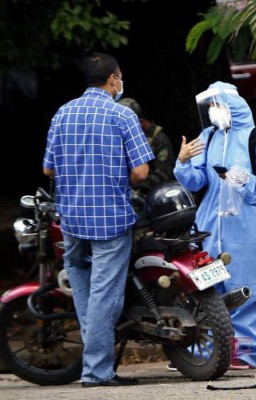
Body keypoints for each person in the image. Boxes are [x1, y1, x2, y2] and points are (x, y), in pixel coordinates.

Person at [42, 52, 154, 386]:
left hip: (72, 219)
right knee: (105, 296)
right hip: (110, 221)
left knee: (85, 292)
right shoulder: (122, 116)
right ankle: (96, 372)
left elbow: (48, 168)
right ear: (113, 78)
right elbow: (141, 172)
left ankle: (96, 363)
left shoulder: (62, 114)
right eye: (120, 77)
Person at [174, 81, 256, 369]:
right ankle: (206, 353)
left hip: (246, 228)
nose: (211, 112)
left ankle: (246, 354)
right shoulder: (206, 137)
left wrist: (242, 179)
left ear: (231, 106)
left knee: (249, 289)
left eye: (216, 105)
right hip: (209, 226)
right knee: (207, 292)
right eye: (209, 106)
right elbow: (195, 181)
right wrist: (183, 162)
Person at [118, 98, 175, 193]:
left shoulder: (159, 139)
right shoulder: (123, 139)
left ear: (139, 122)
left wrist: (132, 180)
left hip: (152, 195)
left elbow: (164, 176)